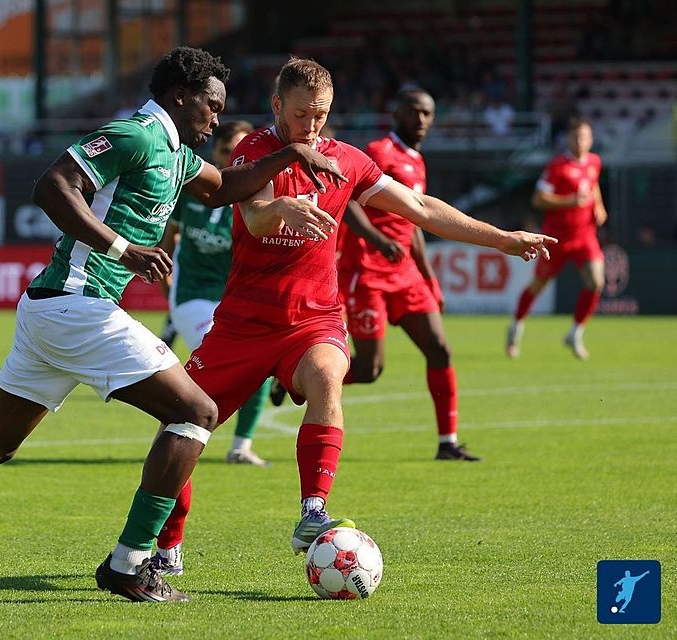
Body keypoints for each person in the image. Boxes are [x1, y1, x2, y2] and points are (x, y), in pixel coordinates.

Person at [0, 46, 347, 600]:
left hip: (52, 310)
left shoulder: (177, 152)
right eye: (211, 107)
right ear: (180, 97)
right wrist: (123, 248)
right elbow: (52, 186)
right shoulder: (135, 134)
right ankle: (129, 563)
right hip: (78, 304)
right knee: (196, 413)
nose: (216, 120)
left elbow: (224, 188)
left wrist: (290, 154)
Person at [100, 57, 556, 602]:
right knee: (182, 425)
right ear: (277, 107)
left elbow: (419, 207)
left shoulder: (347, 160)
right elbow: (255, 217)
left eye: (320, 115)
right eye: (301, 114)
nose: (311, 125)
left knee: (327, 376)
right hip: (243, 324)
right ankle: (167, 546)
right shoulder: (253, 152)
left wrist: (501, 238)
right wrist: (282, 210)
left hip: (314, 319)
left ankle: (312, 512)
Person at [150, 120, 270, 578]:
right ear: (217, 151)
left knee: (252, 367)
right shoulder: (193, 189)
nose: (234, 156)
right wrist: (165, 281)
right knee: (221, 372)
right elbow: (168, 239)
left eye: (242, 151)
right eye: (227, 149)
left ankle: (241, 445)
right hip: (192, 299)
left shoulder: (255, 195)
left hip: (233, 302)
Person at [337, 88, 480, 461]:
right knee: (369, 369)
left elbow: (415, 221)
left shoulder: (417, 160)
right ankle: (298, 380)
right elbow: (346, 197)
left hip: (405, 273)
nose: (421, 120)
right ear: (397, 112)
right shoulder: (379, 150)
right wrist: (376, 238)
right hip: (367, 270)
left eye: (427, 113)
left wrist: (429, 278)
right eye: (414, 111)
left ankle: (447, 443)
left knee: (440, 349)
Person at [506, 118, 607, 360]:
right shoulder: (557, 166)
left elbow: (592, 185)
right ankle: (516, 326)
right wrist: (571, 201)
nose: (580, 141)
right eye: (576, 136)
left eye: (585, 136)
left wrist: (599, 206)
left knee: (596, 282)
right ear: (569, 139)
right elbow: (538, 199)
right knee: (538, 285)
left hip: (584, 235)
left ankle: (575, 333)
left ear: (591, 139)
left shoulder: (594, 162)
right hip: (556, 238)